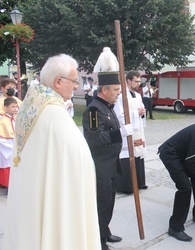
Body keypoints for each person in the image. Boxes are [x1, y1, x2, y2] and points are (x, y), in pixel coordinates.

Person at [2, 54, 100, 250]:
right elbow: (75, 160)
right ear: (58, 81)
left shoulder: (31, 104)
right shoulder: (54, 113)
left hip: (31, 194)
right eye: (73, 81)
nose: (76, 86)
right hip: (54, 197)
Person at [82, 47, 133, 250]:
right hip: (101, 167)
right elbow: (94, 139)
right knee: (102, 205)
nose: (118, 95)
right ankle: (98, 241)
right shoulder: (94, 109)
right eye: (116, 91)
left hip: (111, 165)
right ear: (104, 90)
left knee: (109, 203)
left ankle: (105, 231)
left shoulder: (108, 108)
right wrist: (120, 133)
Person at [114, 70, 148, 191]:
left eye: (140, 81)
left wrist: (142, 112)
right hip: (128, 131)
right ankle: (128, 186)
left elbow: (141, 109)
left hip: (138, 131)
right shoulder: (121, 96)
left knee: (138, 154)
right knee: (129, 156)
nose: (139, 83)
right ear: (128, 81)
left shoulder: (138, 95)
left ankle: (139, 182)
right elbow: (119, 115)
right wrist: (135, 113)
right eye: (136, 81)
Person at [0, 98, 18, 188]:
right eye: (13, 107)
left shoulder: (17, 119)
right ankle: (7, 185)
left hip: (16, 145)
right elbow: (1, 139)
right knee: (8, 164)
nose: (15, 109)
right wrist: (11, 148)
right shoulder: (2, 121)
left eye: (16, 106)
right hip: (7, 147)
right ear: (6, 107)